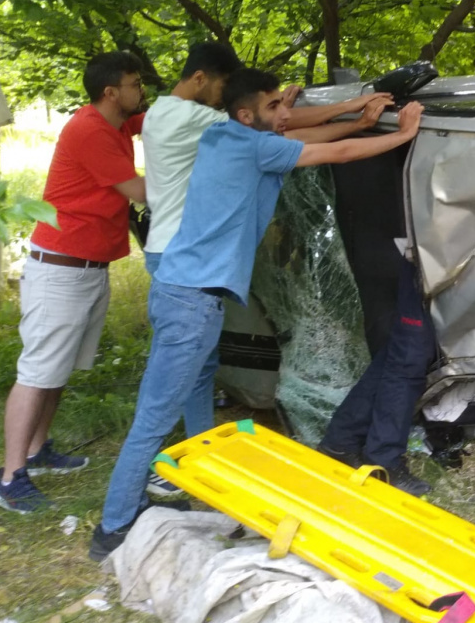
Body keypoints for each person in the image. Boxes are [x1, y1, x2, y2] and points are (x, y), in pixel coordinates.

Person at [90, 68, 423, 561]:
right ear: (248, 114)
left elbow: (301, 137)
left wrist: (355, 120)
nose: (285, 112)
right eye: (274, 106)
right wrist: (403, 134)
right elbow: (332, 152)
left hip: (180, 290)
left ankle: (133, 505)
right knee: (154, 416)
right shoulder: (253, 147)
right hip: (191, 302)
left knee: (159, 408)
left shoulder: (226, 135)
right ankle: (114, 528)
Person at [140, 43, 393, 496]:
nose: (221, 96)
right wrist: (354, 111)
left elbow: (276, 134)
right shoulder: (198, 119)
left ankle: (199, 458)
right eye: (222, 87)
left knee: (198, 369)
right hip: (187, 259)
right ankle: (162, 470)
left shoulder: (162, 113)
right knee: (172, 384)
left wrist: (282, 110)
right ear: (201, 78)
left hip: (174, 251)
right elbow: (285, 134)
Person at [0, 52, 147, 514]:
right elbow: (141, 192)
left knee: (56, 372)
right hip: (60, 268)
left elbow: (160, 118)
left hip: (87, 268)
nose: (141, 91)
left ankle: (39, 452)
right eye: (135, 84)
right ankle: (9, 478)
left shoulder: (117, 122)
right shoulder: (90, 130)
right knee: (38, 372)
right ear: (110, 92)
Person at [317, 245, 435, 496]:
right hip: (430, 261)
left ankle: (341, 440)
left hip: (436, 260)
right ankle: (384, 461)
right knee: (408, 360)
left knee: (401, 352)